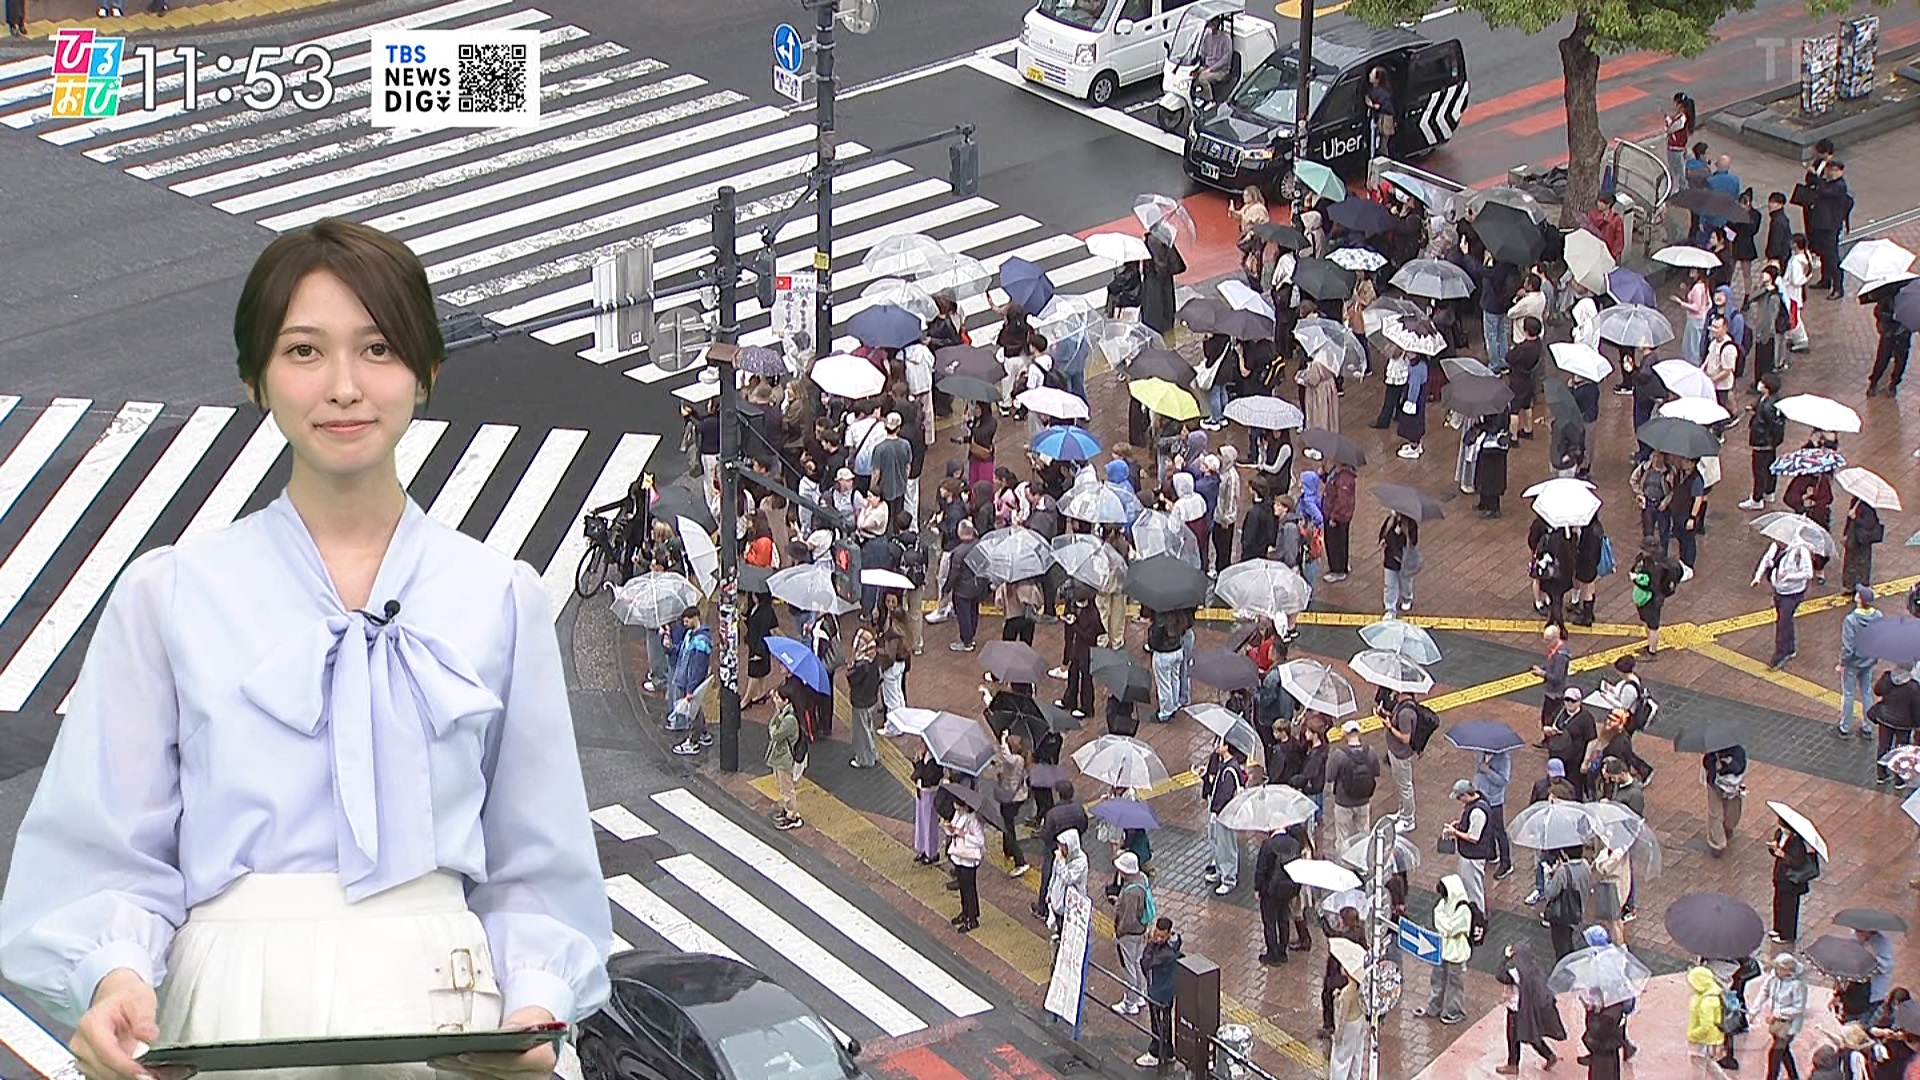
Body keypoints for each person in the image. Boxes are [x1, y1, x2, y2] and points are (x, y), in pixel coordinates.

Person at [0, 218, 614, 1080]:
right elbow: (106, 845)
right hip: (232, 1007)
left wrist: (533, 1008)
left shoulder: (499, 598)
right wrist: (114, 977)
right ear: (255, 377)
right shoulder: (170, 594)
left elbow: (536, 861)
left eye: (378, 348)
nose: (344, 387)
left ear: (426, 371)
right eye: (303, 351)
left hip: (451, 1015)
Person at [1496, 943, 1566, 1074]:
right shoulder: (1534, 970)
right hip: (1529, 1009)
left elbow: (1500, 975)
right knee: (1532, 1035)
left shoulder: (1516, 973)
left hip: (1516, 1009)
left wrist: (1504, 959)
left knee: (1512, 1037)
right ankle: (1549, 1055)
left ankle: (1513, 1064)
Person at [1416, 874, 1472, 1024]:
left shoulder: (1463, 908)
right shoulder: (1443, 903)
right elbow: (1439, 919)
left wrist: (1444, 925)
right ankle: (1434, 1008)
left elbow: (1451, 928)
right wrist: (1445, 926)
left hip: (1456, 953)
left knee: (1455, 983)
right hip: (1441, 948)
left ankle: (1456, 1011)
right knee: (1437, 979)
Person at [1752, 536, 1814, 668]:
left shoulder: (1800, 551)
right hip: (1779, 591)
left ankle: (1780, 653)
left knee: (1782, 622)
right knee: (1785, 619)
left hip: (1793, 593)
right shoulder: (1776, 546)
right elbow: (1766, 559)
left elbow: (1809, 573)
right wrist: (1757, 577)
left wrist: (1789, 576)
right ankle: (1790, 648)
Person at [1327, 721, 1380, 855]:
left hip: (1343, 801)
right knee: (1364, 832)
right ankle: (1362, 859)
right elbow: (1376, 772)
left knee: (1342, 836)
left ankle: (1343, 860)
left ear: (1345, 734)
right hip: (1364, 800)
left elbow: (1329, 777)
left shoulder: (1338, 754)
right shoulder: (1370, 751)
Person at [1136, 918, 1183, 1070]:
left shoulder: (1165, 953)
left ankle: (1155, 1053)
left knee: (1157, 1024)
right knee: (1165, 1022)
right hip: (1166, 991)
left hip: (1158, 992)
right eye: (1157, 935)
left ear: (1168, 934)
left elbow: (1146, 962)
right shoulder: (1173, 946)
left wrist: (1151, 943)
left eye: (1162, 936)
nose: (1159, 939)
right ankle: (1168, 1052)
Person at [1839, 585, 1884, 738]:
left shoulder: (1851, 620)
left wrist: (1843, 663)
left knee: (1848, 693)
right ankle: (1867, 726)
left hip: (1853, 663)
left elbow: (1848, 647)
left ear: (1859, 599)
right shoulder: (1878, 616)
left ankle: (1845, 727)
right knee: (1866, 692)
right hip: (1869, 660)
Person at [1111, 852, 1153, 1013]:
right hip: (1141, 930)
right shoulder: (1142, 879)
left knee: (1128, 967)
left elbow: (1128, 919)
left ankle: (1130, 1003)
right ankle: (1140, 995)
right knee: (1137, 963)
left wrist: (1119, 932)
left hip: (1129, 934)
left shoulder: (1130, 893)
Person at [1443, 779, 1495, 910]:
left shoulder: (1477, 812)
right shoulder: (1479, 802)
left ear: (1466, 795)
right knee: (1470, 886)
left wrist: (1454, 832)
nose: (1459, 801)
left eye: (1459, 798)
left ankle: (1478, 915)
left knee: (1474, 890)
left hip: (1473, 857)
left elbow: (1473, 837)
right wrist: (1460, 824)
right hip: (1471, 854)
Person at [1740, 373, 1788, 511]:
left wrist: (1769, 440)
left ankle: (1757, 498)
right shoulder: (1771, 400)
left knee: (1759, 471)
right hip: (1768, 443)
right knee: (1770, 467)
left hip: (1762, 442)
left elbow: (1772, 423)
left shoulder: (1768, 406)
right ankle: (1769, 491)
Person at [1768, 815, 1820, 943]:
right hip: (1780, 877)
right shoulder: (1779, 833)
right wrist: (1773, 848)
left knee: (1789, 908)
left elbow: (1797, 862)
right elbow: (1775, 851)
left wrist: (1783, 855)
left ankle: (1787, 934)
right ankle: (1777, 928)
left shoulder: (1797, 843)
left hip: (1791, 881)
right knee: (1778, 904)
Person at [1759, 953, 1809, 1080]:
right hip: (1777, 1024)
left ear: (1787, 970)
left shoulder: (1798, 985)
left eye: (1779, 968)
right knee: (1784, 1051)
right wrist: (1754, 1011)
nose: (1776, 970)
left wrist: (1777, 1013)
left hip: (1790, 1025)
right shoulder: (1774, 978)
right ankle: (1793, 1076)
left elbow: (1799, 1008)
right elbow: (1765, 991)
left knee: (1775, 1053)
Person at [1691, 966, 1737, 1079]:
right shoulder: (1713, 992)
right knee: (1707, 1062)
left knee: (1698, 1063)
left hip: (1703, 1038)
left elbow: (1706, 1025)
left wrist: (1693, 1034)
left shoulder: (1707, 1001)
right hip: (1711, 1037)